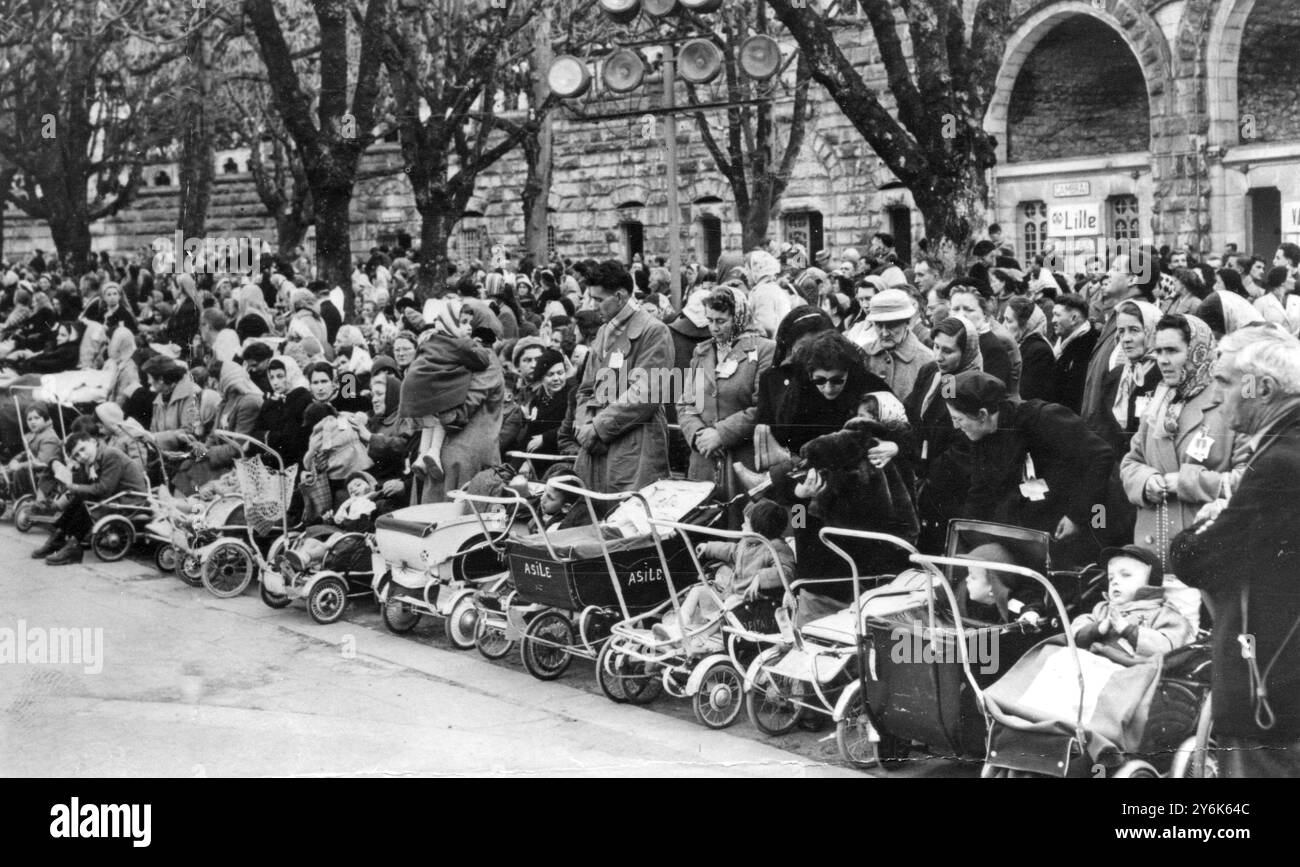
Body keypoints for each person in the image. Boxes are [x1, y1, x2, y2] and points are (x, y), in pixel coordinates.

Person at [1169, 325, 1300, 776]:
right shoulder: (1284, 446)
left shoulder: (1280, 460)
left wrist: (1193, 535)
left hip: (1270, 686)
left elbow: (1201, 561)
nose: (1215, 392)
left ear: (1261, 388)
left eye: (1224, 381)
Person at [945, 370, 1113, 567]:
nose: (956, 426)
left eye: (959, 419)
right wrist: (966, 535)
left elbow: (1101, 456)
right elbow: (979, 492)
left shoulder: (1042, 418)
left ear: (982, 414)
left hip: (1079, 526)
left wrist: (1077, 515)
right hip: (1028, 534)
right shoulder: (980, 436)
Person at [571, 260, 673, 494]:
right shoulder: (603, 331)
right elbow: (585, 388)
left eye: (598, 300)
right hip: (595, 447)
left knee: (628, 522)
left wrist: (596, 427)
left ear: (619, 296)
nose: (592, 305)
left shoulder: (654, 331)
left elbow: (646, 394)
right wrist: (583, 423)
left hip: (635, 448)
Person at [655, 499, 793, 651]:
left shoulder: (776, 547)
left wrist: (761, 578)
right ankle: (677, 628)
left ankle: (702, 637)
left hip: (756, 603)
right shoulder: (747, 543)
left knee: (731, 603)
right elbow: (731, 551)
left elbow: (787, 571)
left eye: (746, 524)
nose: (741, 526)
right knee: (698, 591)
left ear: (759, 532)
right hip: (733, 594)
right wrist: (709, 547)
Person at [677, 285, 774, 487]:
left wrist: (721, 434)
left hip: (743, 461)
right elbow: (686, 403)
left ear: (738, 318)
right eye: (710, 320)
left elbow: (764, 406)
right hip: (704, 459)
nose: (714, 328)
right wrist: (698, 436)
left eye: (721, 321)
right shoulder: (702, 352)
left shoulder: (764, 350)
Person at [903, 316, 982, 552]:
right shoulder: (932, 372)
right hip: (922, 474)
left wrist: (927, 477)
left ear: (966, 351)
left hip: (947, 489)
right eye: (936, 346)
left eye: (948, 351)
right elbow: (911, 411)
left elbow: (964, 448)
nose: (938, 356)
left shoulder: (974, 385)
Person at [399, 297, 492, 479]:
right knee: (441, 413)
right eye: (463, 323)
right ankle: (434, 451)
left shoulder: (430, 339)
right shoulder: (461, 344)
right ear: (450, 323)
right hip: (435, 392)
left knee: (429, 421)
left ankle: (421, 455)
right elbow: (483, 360)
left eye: (469, 323)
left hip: (415, 389)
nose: (469, 328)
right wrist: (477, 345)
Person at [33, 432, 149, 565]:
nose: (81, 456)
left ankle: (73, 546)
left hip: (130, 500)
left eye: (82, 449)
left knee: (87, 503)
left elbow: (104, 489)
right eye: (76, 455)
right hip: (116, 496)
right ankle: (59, 537)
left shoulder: (111, 454)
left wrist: (74, 486)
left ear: (93, 441)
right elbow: (86, 486)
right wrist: (73, 473)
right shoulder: (91, 460)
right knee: (80, 497)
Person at [1070, 545, 1194, 659]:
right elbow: (1075, 630)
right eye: (1111, 577)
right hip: (1093, 663)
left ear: (1150, 581)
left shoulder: (1163, 614)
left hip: (1132, 672)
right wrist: (1096, 629)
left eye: (1126, 575)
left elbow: (1169, 646)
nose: (1115, 582)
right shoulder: (1103, 610)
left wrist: (1129, 631)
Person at [947, 279, 1021, 398]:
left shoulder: (993, 348)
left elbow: (990, 397)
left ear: (984, 314)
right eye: (955, 309)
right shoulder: (951, 343)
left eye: (968, 309)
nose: (961, 315)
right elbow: (948, 393)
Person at [860, 288, 934, 402]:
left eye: (891, 325)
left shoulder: (928, 361)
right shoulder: (863, 354)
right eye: (879, 325)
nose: (884, 333)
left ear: (907, 322)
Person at [961, 542, 1043, 626]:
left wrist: (1030, 613)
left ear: (993, 588)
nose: (967, 579)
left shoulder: (1012, 604)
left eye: (973, 577)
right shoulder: (964, 598)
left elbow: (1033, 602)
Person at [142, 356, 204, 450]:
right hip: (165, 455)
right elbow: (153, 430)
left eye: (149, 377)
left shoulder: (190, 394)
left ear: (161, 379)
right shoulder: (159, 399)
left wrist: (155, 438)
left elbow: (189, 431)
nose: (148, 381)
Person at [1001, 296, 1055, 403]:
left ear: (1026, 324)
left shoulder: (1039, 351)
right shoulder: (1020, 344)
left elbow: (1027, 393)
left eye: (1009, 321)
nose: (1004, 326)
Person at [1050, 293, 1097, 414]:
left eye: (1057, 315)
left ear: (1074, 318)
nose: (1052, 320)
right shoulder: (1063, 341)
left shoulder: (1088, 346)